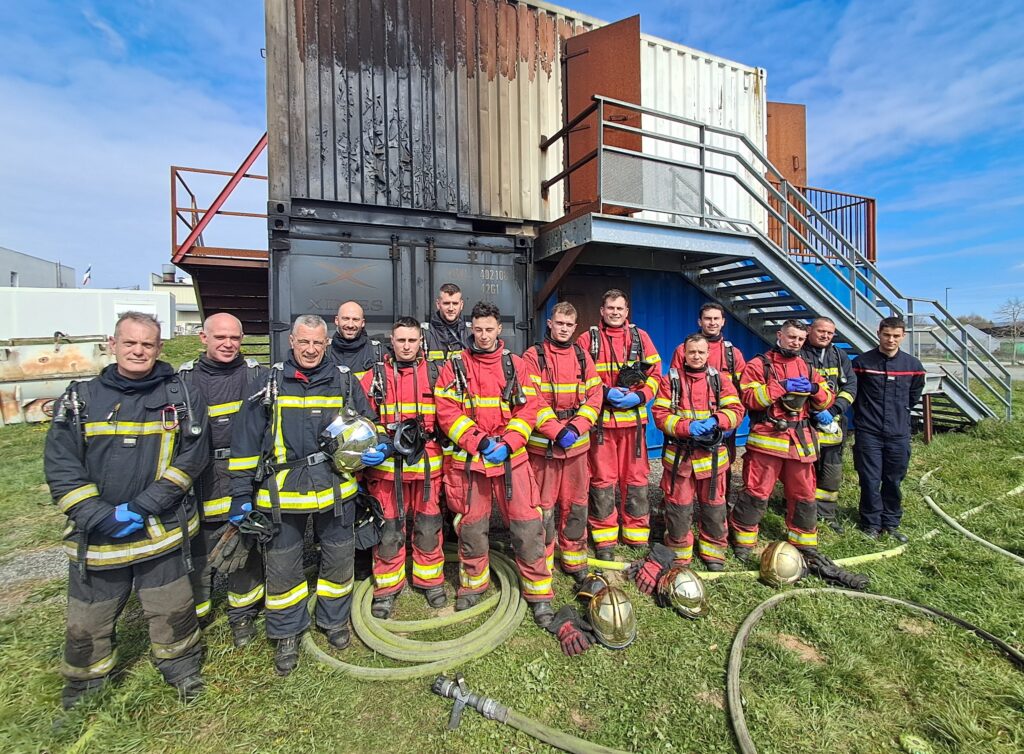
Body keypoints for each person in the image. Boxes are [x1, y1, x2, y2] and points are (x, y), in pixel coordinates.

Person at [45, 312, 209, 707]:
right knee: (89, 616)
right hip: (99, 535)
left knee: (172, 607)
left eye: (147, 344)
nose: (138, 351)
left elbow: (191, 456)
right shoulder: (82, 399)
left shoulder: (179, 396)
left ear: (159, 348)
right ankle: (84, 686)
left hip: (161, 528)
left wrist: (145, 505)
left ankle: (182, 670)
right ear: (112, 344)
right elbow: (61, 463)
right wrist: (98, 515)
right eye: (130, 343)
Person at [228, 314, 373, 676]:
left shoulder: (343, 381)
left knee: (339, 561)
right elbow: (245, 441)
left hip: (335, 489)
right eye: (303, 342)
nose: (310, 349)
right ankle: (287, 633)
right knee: (283, 567)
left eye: (317, 343)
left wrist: (377, 447)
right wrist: (240, 494)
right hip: (282, 495)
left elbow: (367, 423)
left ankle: (334, 621)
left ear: (327, 343)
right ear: (291, 342)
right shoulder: (270, 382)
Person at [434, 301, 554, 626]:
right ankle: (473, 585)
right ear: (470, 328)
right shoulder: (455, 365)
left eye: (490, 329)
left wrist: (510, 442)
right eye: (479, 328)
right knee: (471, 527)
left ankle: (539, 594)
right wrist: (480, 441)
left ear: (499, 329)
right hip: (471, 463)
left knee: (528, 526)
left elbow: (530, 409)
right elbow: (446, 411)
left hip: (511, 461)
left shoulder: (516, 365)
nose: (484, 335)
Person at [178, 313, 266, 646]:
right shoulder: (184, 380)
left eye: (235, 338)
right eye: (220, 338)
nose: (228, 344)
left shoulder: (256, 375)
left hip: (246, 472)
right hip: (201, 477)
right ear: (204, 337)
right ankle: (196, 615)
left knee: (244, 545)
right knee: (199, 547)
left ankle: (243, 615)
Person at [359, 317, 446, 618]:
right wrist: (380, 444)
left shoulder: (436, 374)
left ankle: (430, 579)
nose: (406, 346)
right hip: (387, 470)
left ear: (420, 341)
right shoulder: (374, 376)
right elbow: (362, 419)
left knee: (428, 526)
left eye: (412, 340)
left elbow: (450, 415)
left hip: (426, 468)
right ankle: (387, 588)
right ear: (391, 342)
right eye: (401, 340)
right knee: (389, 529)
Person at [729, 320, 834, 559]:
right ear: (780, 335)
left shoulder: (807, 367)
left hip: (800, 443)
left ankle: (804, 542)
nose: (795, 342)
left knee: (804, 495)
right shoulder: (759, 365)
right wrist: (780, 387)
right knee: (755, 492)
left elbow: (827, 398)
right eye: (791, 337)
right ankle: (743, 540)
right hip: (767, 441)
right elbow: (749, 398)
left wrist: (816, 390)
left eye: (800, 339)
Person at [521, 302, 603, 583]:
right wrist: (556, 430)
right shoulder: (533, 356)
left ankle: (574, 559)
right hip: (543, 446)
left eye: (569, 325)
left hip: (576, 446)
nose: (564, 329)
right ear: (550, 323)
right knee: (542, 506)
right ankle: (541, 561)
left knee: (576, 504)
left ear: (575, 327)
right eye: (559, 323)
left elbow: (595, 396)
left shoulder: (583, 357)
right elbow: (531, 399)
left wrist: (578, 427)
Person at [576, 289, 662, 557]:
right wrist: (604, 393)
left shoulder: (641, 338)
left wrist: (640, 396)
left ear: (627, 312)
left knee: (636, 480)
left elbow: (657, 375)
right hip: (601, 425)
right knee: (602, 481)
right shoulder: (587, 339)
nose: (615, 312)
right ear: (602, 311)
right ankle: (604, 540)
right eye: (610, 308)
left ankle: (636, 535)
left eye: (620, 309)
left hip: (634, 426)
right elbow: (578, 378)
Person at [653, 333, 745, 571]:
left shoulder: (721, 380)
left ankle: (714, 552)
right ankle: (678, 554)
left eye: (701, 352)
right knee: (678, 507)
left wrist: (717, 420)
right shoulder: (670, 380)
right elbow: (660, 416)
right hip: (680, 459)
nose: (696, 356)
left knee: (715, 507)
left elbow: (737, 409)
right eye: (692, 351)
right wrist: (687, 427)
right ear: (684, 353)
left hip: (712, 459)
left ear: (708, 354)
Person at [852, 317, 925, 542]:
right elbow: (854, 393)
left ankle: (891, 523)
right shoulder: (862, 363)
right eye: (886, 335)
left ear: (903, 336)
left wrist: (899, 413)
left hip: (898, 433)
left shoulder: (913, 366)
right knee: (870, 479)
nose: (891, 339)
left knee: (893, 479)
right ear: (879, 334)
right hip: (869, 431)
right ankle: (871, 523)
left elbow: (914, 396)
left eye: (896, 336)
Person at [670, 303, 747, 499]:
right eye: (707, 318)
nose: (712, 323)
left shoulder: (733, 354)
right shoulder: (683, 349)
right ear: (700, 321)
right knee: (681, 466)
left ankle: (721, 502)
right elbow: (674, 385)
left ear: (723, 322)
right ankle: (674, 505)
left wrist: (731, 421)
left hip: (722, 422)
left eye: (716, 319)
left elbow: (743, 391)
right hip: (688, 422)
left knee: (724, 463)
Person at [800, 317, 858, 533]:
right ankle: (803, 513)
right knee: (804, 472)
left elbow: (851, 386)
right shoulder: (800, 353)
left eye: (829, 333)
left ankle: (827, 514)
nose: (825, 335)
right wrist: (813, 411)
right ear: (809, 330)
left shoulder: (839, 356)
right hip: (805, 424)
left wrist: (833, 411)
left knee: (831, 472)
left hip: (833, 424)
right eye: (820, 331)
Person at [423, 283, 469, 382]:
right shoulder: (424, 334)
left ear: (461, 305)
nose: (451, 308)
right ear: (438, 304)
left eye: (455, 303)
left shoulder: (471, 333)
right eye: (446, 303)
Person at [329, 300, 380, 379]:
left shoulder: (378, 352)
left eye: (355, 319)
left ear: (362, 323)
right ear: (336, 320)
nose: (350, 325)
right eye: (346, 319)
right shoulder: (324, 352)